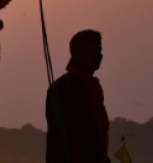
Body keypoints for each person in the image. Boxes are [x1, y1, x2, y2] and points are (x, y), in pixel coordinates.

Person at [46, 29, 110, 163]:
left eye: (100, 51)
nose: (99, 56)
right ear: (80, 52)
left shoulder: (92, 87)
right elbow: (70, 139)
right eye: (95, 51)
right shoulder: (65, 88)